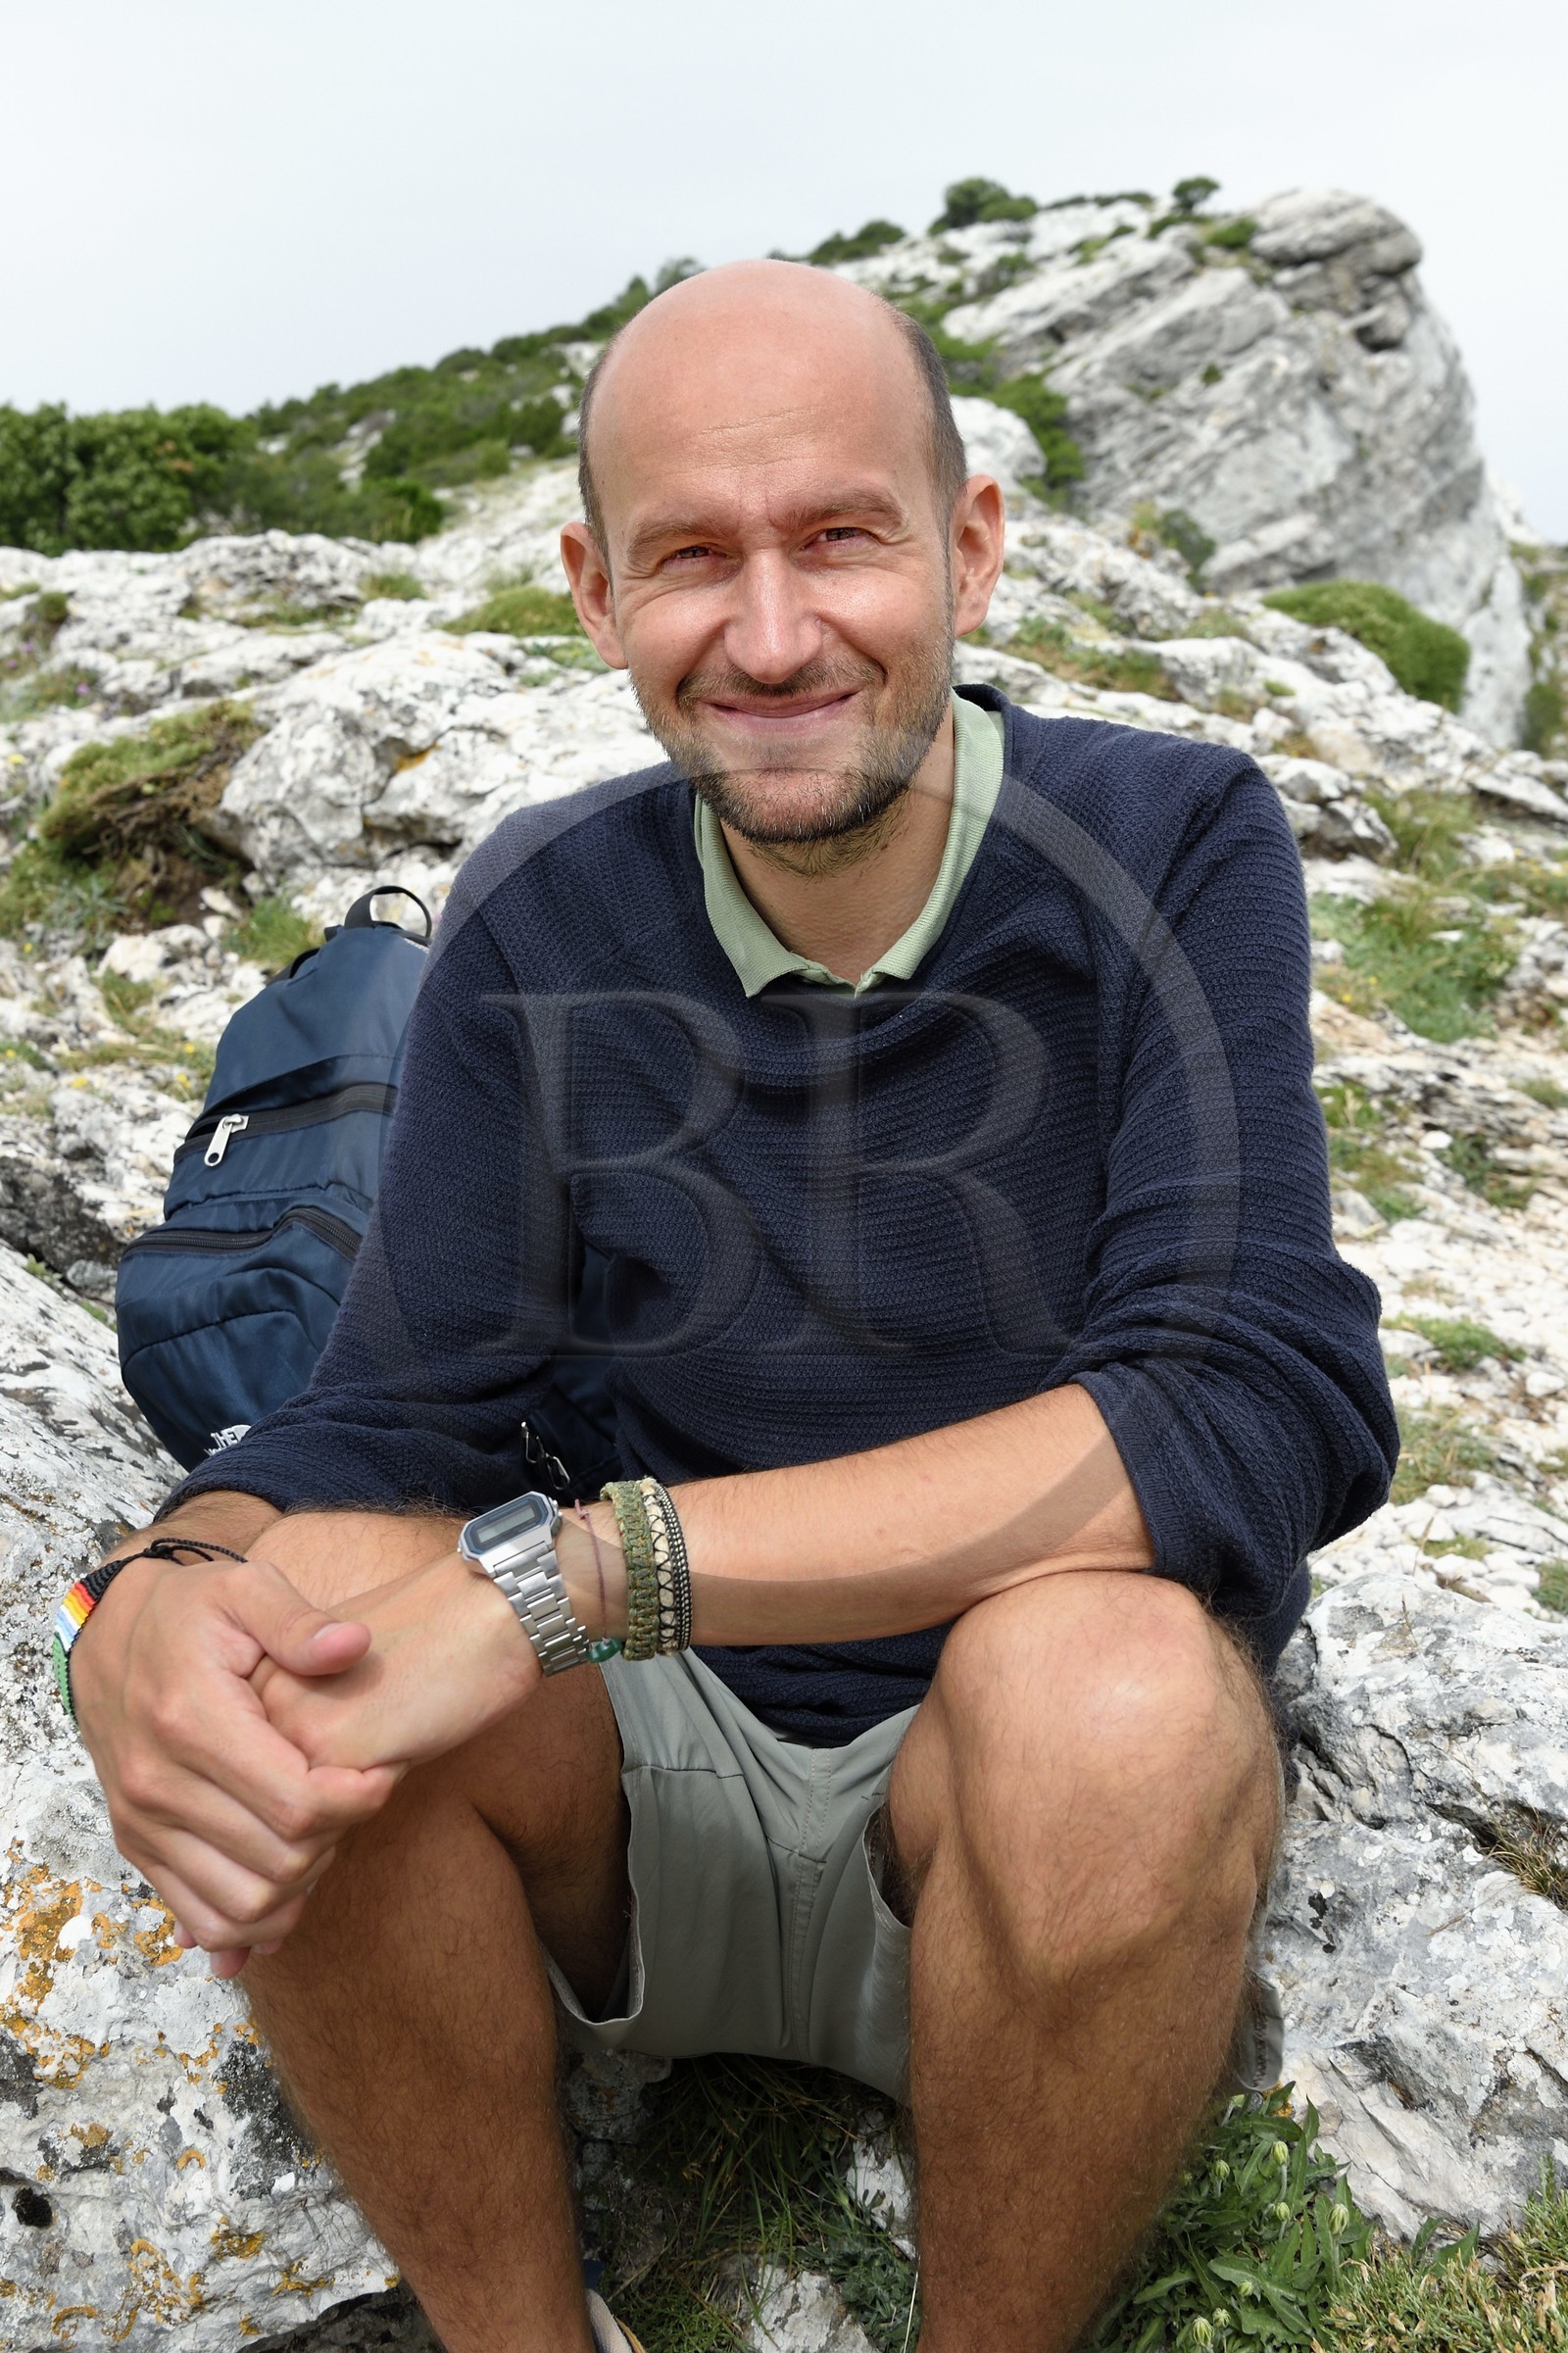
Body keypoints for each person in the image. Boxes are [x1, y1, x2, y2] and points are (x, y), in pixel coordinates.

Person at [66, 259, 1396, 2353]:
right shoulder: (539, 906)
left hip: (1010, 1784)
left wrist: (581, 1578)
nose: (770, 635)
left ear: (963, 545)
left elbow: (1250, 1403)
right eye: (692, 558)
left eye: (840, 536)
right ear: (597, 594)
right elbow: (388, 1414)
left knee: (1117, 1705)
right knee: (289, 1617)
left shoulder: (1166, 838)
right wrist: (153, 1583)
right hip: (650, 1797)